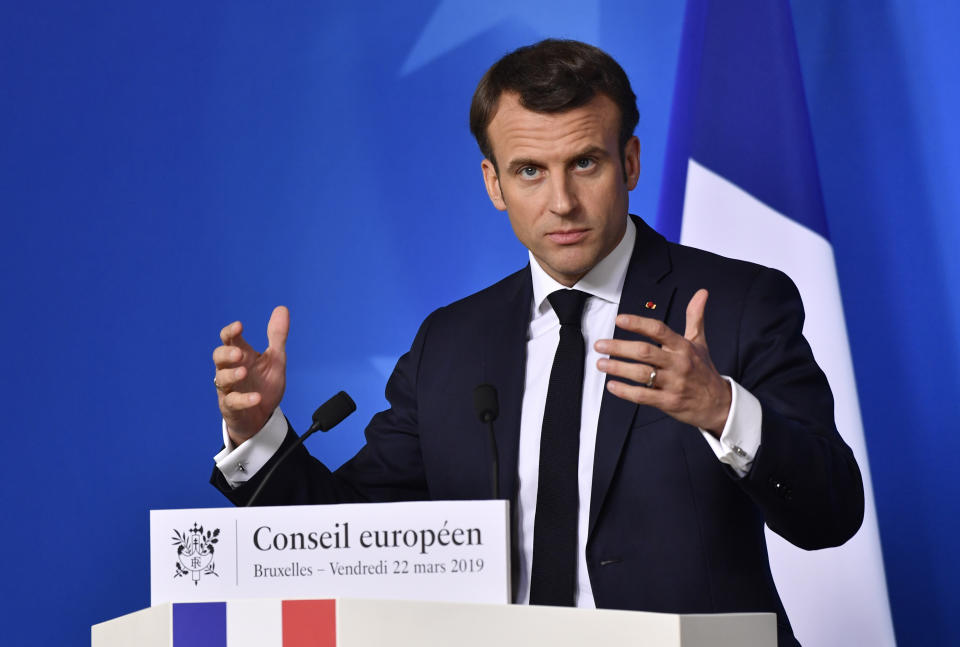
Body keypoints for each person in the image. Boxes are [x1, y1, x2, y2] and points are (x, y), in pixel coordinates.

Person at [210, 39, 863, 646]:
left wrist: (722, 408)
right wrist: (258, 434)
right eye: (529, 171)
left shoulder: (736, 306)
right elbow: (351, 540)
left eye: (585, 162)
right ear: (493, 184)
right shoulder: (451, 343)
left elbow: (830, 512)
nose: (562, 202)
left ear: (629, 162)